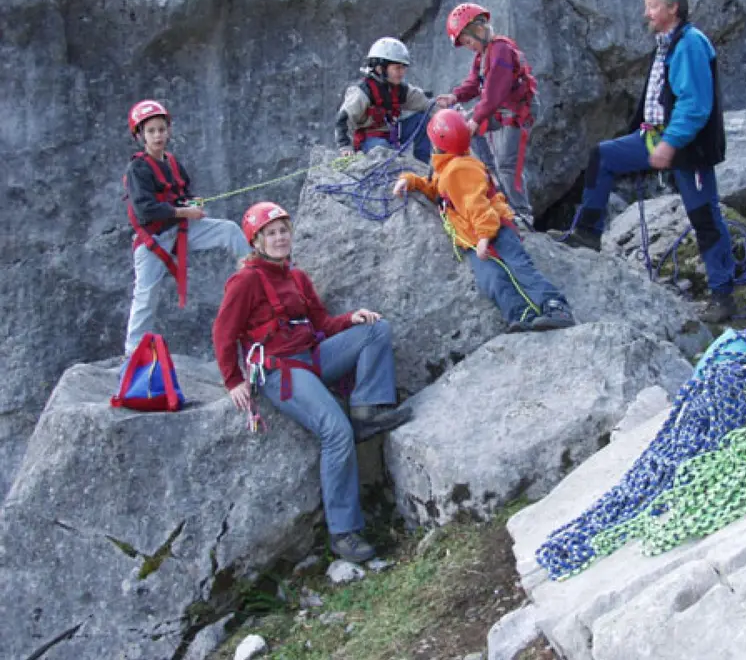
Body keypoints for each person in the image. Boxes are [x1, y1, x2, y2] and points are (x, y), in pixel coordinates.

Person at [212, 201, 410, 563]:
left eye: (283, 230)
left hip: (312, 356)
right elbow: (223, 332)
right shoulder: (245, 281)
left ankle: (365, 411)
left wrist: (352, 318)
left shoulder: (296, 277)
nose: (279, 238)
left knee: (375, 330)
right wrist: (233, 380)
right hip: (282, 372)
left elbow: (321, 324)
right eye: (270, 233)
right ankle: (344, 532)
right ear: (256, 241)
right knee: (335, 431)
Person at [548, 0, 737, 323]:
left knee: (704, 216)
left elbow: (695, 105)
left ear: (671, 8)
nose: (645, 13)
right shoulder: (668, 43)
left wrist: (669, 144)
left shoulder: (690, 44)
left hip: (687, 145)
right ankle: (587, 233)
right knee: (602, 156)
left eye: (651, 6)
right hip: (655, 137)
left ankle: (723, 296)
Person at [393, 109, 575, 333]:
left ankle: (556, 307)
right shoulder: (448, 167)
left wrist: (484, 237)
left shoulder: (459, 169)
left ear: (437, 142)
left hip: (492, 230)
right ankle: (520, 315)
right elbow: (439, 191)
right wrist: (410, 180)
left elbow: (476, 204)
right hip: (474, 237)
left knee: (519, 268)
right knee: (492, 279)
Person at [122, 99, 250, 357]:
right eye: (151, 131)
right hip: (153, 239)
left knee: (228, 230)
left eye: (161, 129)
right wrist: (185, 211)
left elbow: (182, 194)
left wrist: (190, 203)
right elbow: (145, 210)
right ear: (140, 136)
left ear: (168, 131)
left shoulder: (171, 163)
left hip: (180, 229)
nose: (158, 135)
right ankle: (132, 353)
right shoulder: (137, 169)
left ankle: (257, 271)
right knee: (145, 297)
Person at [435, 3, 537, 227]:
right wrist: (454, 97)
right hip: (501, 109)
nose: (469, 47)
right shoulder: (484, 54)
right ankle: (491, 176)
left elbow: (493, 94)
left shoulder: (500, 50)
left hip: (517, 112)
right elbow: (474, 83)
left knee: (508, 164)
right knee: (466, 130)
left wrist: (475, 120)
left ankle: (522, 214)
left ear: (479, 29)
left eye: (468, 41)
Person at [335, 37, 433, 163]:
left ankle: (423, 163)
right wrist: (345, 147)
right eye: (397, 68)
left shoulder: (399, 89)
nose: (402, 72)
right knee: (383, 149)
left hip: (393, 134)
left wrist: (444, 108)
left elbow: (425, 103)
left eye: (403, 67)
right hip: (370, 141)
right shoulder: (362, 92)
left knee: (422, 119)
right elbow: (343, 119)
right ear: (380, 69)